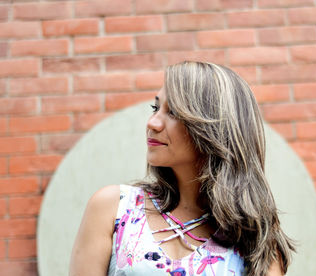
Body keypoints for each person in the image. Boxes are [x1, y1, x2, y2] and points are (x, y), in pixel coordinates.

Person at [69, 61, 295, 276]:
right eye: (155, 107)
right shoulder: (114, 209)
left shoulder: (255, 240)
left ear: (213, 127)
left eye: (174, 112)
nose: (152, 122)